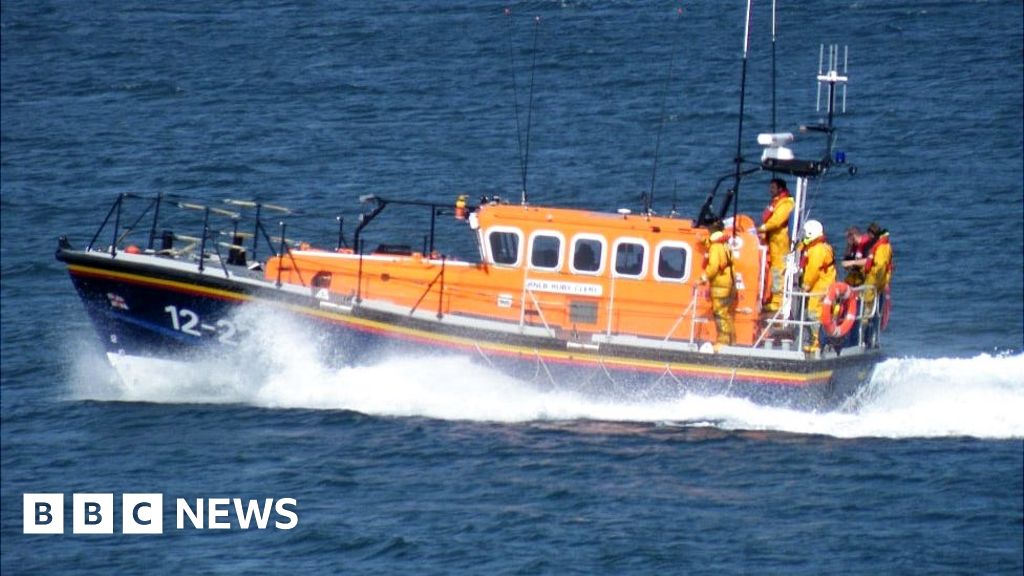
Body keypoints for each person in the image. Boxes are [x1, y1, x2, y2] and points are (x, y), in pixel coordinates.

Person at [757, 178, 795, 313]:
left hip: (781, 244)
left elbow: (776, 221)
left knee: (779, 272)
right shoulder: (777, 202)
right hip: (774, 243)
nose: (770, 190)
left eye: (773, 187)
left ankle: (777, 303)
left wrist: (761, 228)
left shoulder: (786, 204)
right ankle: (772, 298)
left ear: (780, 188)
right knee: (775, 271)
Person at [799, 219, 836, 353]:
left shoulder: (817, 250)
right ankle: (817, 340)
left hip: (820, 287)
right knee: (816, 313)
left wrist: (806, 285)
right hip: (824, 285)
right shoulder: (822, 246)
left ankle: (817, 342)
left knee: (814, 314)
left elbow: (813, 270)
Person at [700, 228, 735, 347]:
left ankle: (723, 341)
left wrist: (703, 278)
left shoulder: (715, 248)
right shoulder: (725, 246)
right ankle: (731, 340)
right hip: (729, 282)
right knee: (726, 313)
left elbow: (713, 266)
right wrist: (703, 241)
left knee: (720, 312)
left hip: (721, 284)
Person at [861, 222, 893, 345]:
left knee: (867, 313)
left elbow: (879, 266)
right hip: (877, 283)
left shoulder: (881, 248)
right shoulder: (884, 246)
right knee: (873, 312)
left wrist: (872, 279)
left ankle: (865, 338)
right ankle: (869, 338)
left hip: (874, 283)